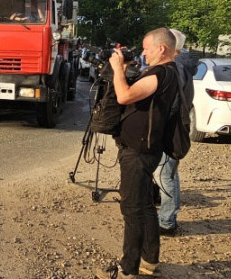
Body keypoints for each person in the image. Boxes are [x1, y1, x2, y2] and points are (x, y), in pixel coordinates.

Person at [95, 27, 179, 279]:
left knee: (131, 209)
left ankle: (128, 268)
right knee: (144, 206)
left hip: (139, 150)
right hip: (146, 148)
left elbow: (124, 96)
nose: (144, 53)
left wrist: (118, 70)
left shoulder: (162, 72)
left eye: (147, 48)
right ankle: (149, 260)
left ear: (161, 48)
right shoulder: (170, 73)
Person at [153, 29, 198, 236]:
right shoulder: (185, 66)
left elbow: (172, 102)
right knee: (170, 173)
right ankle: (169, 215)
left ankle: (166, 220)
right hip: (178, 127)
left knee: (164, 174)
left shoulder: (176, 67)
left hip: (170, 129)